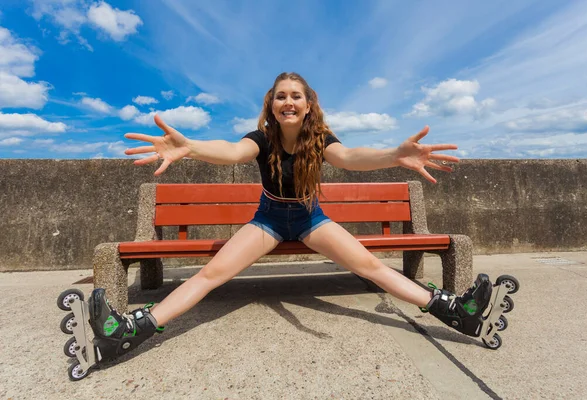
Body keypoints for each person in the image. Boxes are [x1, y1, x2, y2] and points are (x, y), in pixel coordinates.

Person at [88, 72, 494, 358]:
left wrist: (393, 155)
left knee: (371, 266)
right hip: (268, 220)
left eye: (295, 95)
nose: (288, 101)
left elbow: (350, 157)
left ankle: (456, 311)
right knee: (210, 274)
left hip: (309, 218)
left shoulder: (320, 140)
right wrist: (190, 146)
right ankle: (128, 330)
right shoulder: (261, 138)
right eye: (280, 95)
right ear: (272, 104)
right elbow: (231, 152)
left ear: (308, 105)